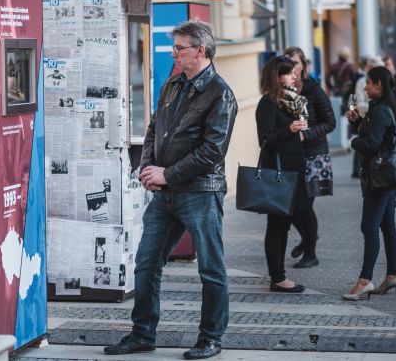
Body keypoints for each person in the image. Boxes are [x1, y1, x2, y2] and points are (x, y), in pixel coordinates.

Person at [104, 21, 237, 360]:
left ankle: (210, 338)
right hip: (165, 193)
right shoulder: (173, 85)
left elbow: (212, 151)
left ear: (201, 51)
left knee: (211, 268)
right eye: (174, 48)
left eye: (180, 48)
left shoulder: (220, 93)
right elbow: (153, 130)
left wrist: (168, 174)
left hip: (200, 192)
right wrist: (147, 167)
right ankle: (142, 334)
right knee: (146, 264)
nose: (174, 53)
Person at [343, 66, 396, 301]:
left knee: (369, 227)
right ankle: (392, 275)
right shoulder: (387, 107)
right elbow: (377, 137)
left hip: (379, 180)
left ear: (379, 84)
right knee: (388, 226)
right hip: (389, 178)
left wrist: (354, 142)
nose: (365, 86)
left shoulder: (381, 110)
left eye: (369, 83)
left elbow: (370, 144)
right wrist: (358, 121)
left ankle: (365, 280)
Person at [253, 55, 313, 293]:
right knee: (277, 225)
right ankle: (278, 277)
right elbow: (265, 140)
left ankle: (280, 275)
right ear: (277, 77)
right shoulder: (268, 103)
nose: (294, 75)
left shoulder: (291, 102)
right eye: (289, 73)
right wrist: (289, 129)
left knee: (286, 224)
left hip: (294, 171)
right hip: (279, 174)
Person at [284, 47, 336, 268]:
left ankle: (310, 253)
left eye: (296, 63)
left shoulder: (314, 90)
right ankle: (308, 238)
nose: (293, 68)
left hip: (313, 155)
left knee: (304, 206)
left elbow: (330, 122)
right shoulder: (284, 90)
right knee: (290, 206)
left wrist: (307, 135)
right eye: (288, 64)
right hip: (291, 155)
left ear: (303, 64)